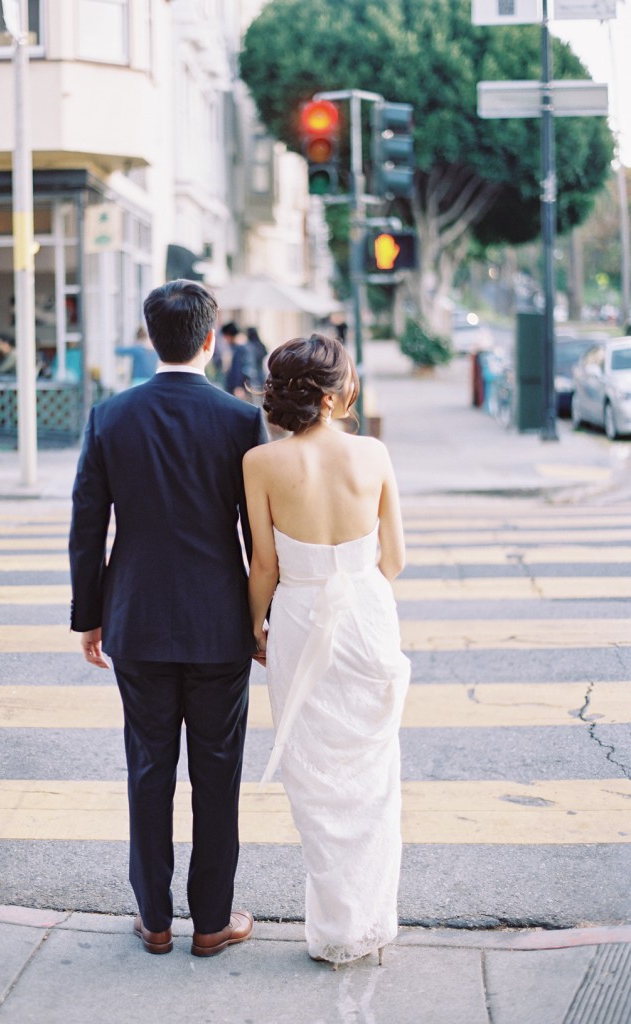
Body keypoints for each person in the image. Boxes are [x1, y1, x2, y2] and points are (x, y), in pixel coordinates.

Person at [70, 279, 269, 958]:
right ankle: (211, 922)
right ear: (211, 339)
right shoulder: (240, 421)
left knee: (149, 767)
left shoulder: (109, 416)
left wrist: (88, 617)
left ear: (149, 337)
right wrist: (261, 621)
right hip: (220, 624)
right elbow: (257, 539)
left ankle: (153, 918)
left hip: (138, 619)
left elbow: (87, 527)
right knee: (217, 773)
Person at [242, 333, 410, 967]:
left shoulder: (261, 463)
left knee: (312, 776)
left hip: (298, 615)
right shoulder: (374, 455)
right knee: (371, 777)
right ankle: (369, 922)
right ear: (341, 394)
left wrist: (253, 625)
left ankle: (335, 926)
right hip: (366, 614)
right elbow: (393, 559)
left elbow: (263, 563)